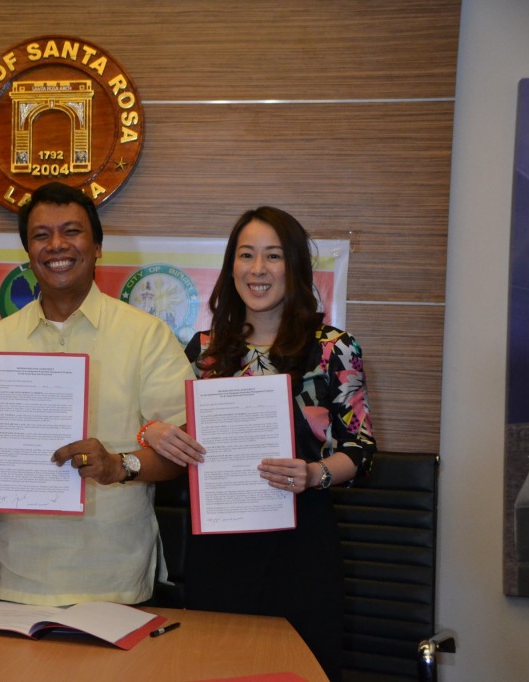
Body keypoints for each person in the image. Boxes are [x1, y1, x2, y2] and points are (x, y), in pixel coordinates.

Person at [0, 181, 194, 606]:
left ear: (97, 246)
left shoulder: (145, 335)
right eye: (41, 235)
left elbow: (183, 450)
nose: (57, 245)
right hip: (18, 575)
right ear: (28, 252)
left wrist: (118, 465)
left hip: (116, 578)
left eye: (71, 232)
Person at [144, 206, 376, 681]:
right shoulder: (204, 350)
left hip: (301, 542)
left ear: (294, 267)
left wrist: (315, 473)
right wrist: (152, 432)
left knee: (301, 668)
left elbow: (361, 449)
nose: (258, 269)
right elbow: (174, 437)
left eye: (272, 256)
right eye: (246, 255)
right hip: (218, 544)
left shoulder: (334, 348)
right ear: (231, 268)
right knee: (217, 668)